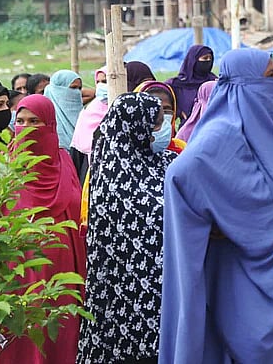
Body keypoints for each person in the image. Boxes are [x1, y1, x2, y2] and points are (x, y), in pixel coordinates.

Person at [161, 50, 273, 363]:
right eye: (269, 79)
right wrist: (221, 220)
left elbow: (272, 185)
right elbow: (182, 176)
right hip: (247, 281)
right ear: (244, 84)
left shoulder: (263, 129)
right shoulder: (221, 134)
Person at [78, 93, 178, 364]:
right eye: (155, 124)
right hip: (120, 291)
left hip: (165, 287)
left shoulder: (167, 163)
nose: (162, 129)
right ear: (137, 128)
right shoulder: (110, 171)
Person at [0, 95, 86, 364]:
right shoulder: (4, 167)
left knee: (59, 336)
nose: (26, 128)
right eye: (21, 121)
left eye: (34, 121)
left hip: (61, 272)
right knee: (22, 338)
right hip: (19, 271)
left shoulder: (64, 162)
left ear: (49, 124)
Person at [69, 73, 110, 181]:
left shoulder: (126, 111)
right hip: (88, 170)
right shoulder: (89, 111)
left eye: (105, 81)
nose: (101, 86)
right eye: (98, 82)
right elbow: (77, 154)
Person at [165, 45, 218, 121]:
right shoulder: (177, 84)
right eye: (205, 58)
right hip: (187, 127)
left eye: (210, 58)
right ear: (194, 60)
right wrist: (178, 112)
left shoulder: (213, 82)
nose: (208, 61)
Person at [43, 70, 84, 150]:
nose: (77, 93)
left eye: (79, 88)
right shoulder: (46, 121)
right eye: (73, 88)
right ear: (57, 90)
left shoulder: (86, 117)